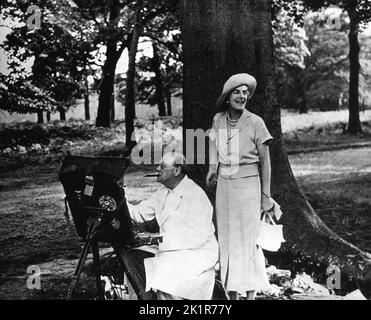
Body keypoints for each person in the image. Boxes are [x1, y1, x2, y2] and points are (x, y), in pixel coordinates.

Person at [206, 73, 275, 300]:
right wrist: (212, 169)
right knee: (227, 238)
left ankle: (251, 294)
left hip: (248, 187)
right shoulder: (218, 120)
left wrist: (266, 195)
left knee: (247, 239)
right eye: (237, 92)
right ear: (228, 96)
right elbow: (214, 147)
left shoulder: (256, 122)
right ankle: (232, 294)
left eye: (246, 93)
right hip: (225, 187)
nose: (242, 96)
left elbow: (265, 162)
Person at [122, 152, 219, 300]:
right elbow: (139, 214)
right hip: (170, 249)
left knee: (166, 269)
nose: (157, 168)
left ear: (177, 170)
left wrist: (158, 239)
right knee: (133, 257)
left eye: (162, 166)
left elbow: (197, 239)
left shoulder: (196, 195)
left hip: (196, 253)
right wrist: (120, 196)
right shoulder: (162, 192)